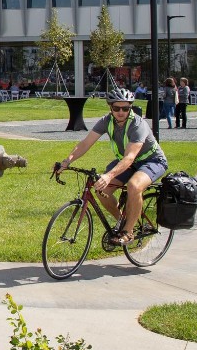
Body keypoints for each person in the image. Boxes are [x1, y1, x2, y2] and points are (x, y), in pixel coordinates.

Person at [55, 89, 168, 246]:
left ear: (130, 108)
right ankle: (123, 221)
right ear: (110, 108)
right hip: (128, 162)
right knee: (101, 190)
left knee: (134, 186)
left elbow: (130, 157)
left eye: (125, 108)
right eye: (116, 108)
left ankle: (128, 233)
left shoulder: (137, 125)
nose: (121, 112)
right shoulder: (106, 121)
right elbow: (85, 143)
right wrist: (67, 161)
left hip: (152, 161)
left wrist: (108, 176)